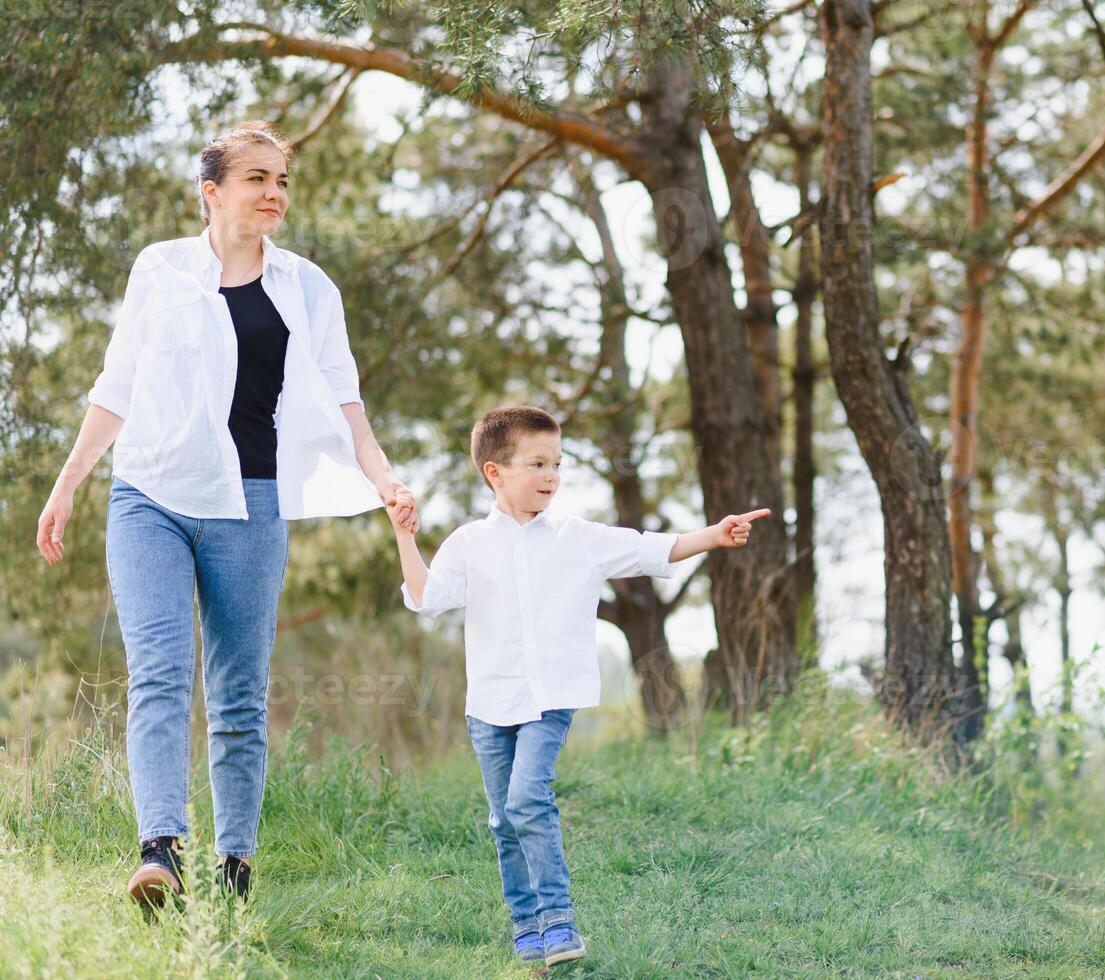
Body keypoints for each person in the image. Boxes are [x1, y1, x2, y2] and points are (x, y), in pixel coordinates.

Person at [34, 120, 421, 911]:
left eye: (282, 181)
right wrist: (70, 481)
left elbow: (348, 403)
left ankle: (235, 866)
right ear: (211, 192)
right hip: (151, 496)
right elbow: (118, 385)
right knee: (160, 675)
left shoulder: (309, 289)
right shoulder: (160, 270)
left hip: (252, 502)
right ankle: (159, 852)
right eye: (258, 178)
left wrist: (385, 478)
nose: (274, 193)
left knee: (239, 691)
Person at [387, 405, 767, 966]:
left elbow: (649, 548)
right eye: (538, 463)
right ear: (495, 472)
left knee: (526, 799)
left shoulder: (577, 538)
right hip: (489, 703)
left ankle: (560, 922)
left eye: (557, 464)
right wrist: (404, 535)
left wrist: (714, 535)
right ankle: (526, 925)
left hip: (551, 700)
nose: (551, 476)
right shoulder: (469, 543)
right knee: (502, 819)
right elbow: (425, 597)